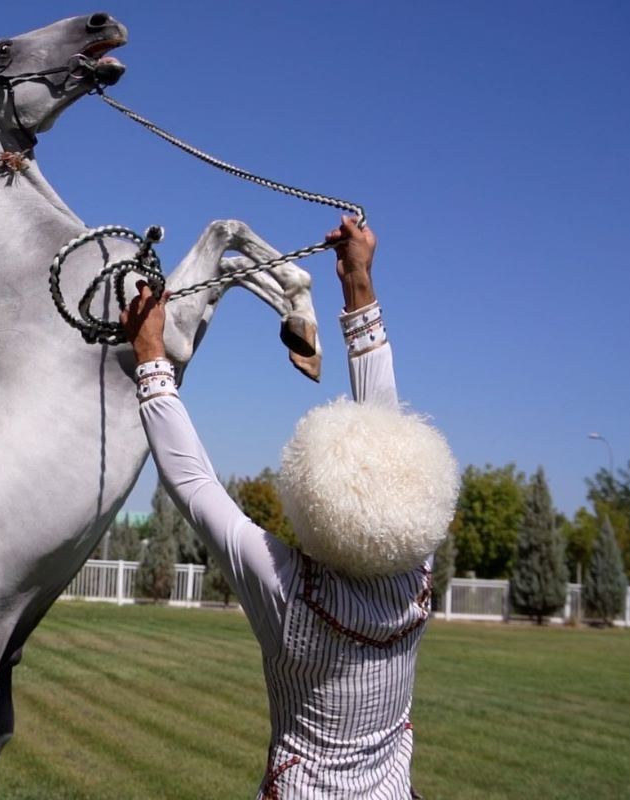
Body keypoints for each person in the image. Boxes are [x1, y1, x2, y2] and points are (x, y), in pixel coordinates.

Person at [120, 217, 457, 799]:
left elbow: (194, 484)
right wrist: (358, 282)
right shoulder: (416, 572)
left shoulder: (290, 592)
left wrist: (150, 353)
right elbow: (385, 426)